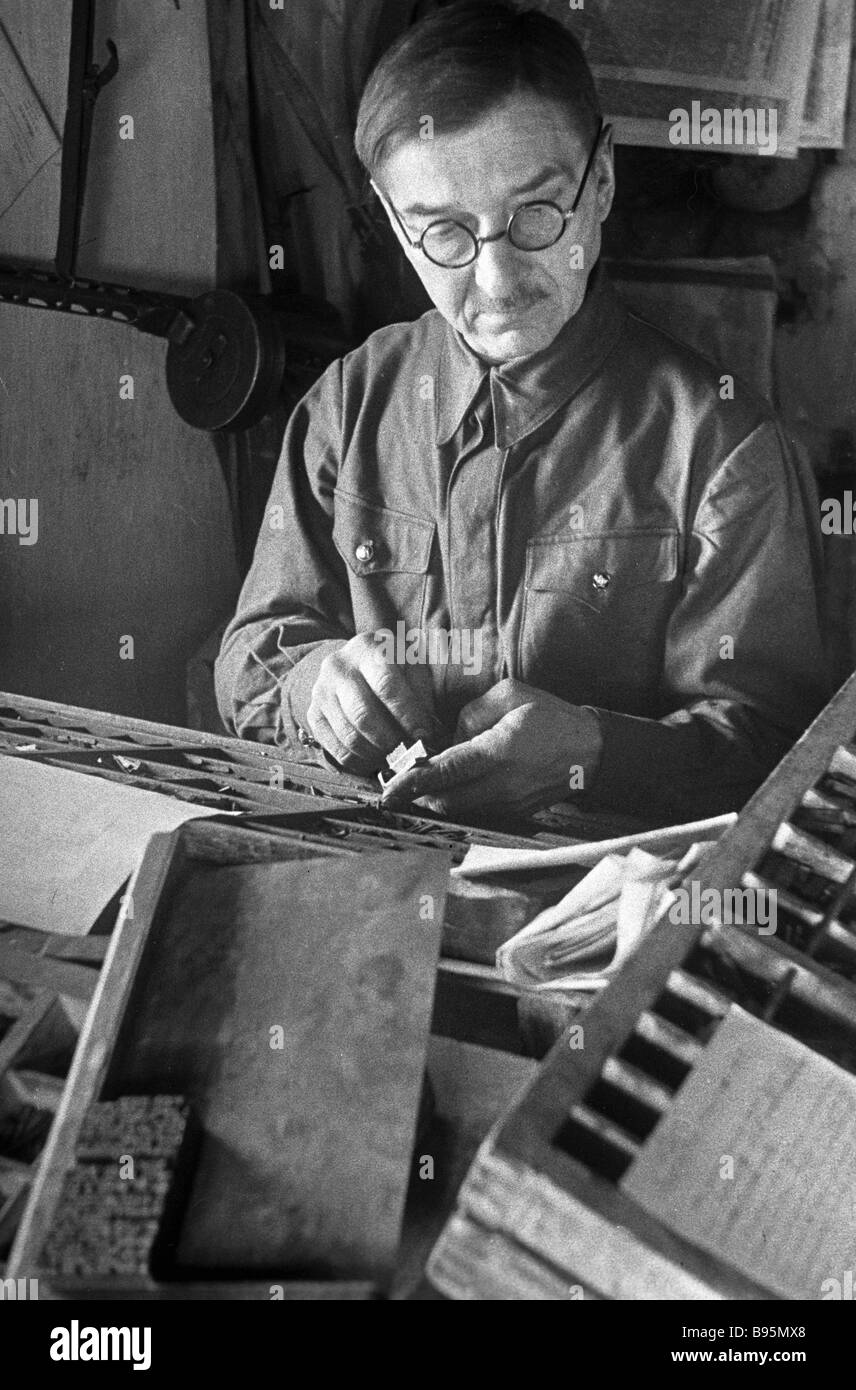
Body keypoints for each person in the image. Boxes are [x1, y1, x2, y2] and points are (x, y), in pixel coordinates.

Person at [214, 0, 829, 826]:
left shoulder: (726, 451)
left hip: (596, 904)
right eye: (445, 233)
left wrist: (592, 757)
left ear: (600, 180)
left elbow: (779, 756)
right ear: (395, 224)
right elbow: (251, 655)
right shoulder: (348, 403)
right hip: (367, 861)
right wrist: (311, 682)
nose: (499, 281)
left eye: (538, 215)